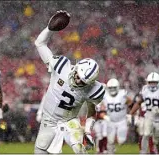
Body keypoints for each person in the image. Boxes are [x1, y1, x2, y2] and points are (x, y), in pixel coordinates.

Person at [34, 10, 106, 154]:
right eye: (78, 76)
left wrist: (87, 130)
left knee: (80, 151)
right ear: (76, 67)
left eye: (83, 81)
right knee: (40, 152)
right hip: (49, 120)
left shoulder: (94, 89)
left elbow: (92, 112)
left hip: (69, 121)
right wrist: (49, 29)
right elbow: (39, 43)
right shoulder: (62, 66)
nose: (78, 80)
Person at [129, 72, 159, 154]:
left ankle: (158, 151)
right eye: (150, 82)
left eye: (154, 82)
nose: (152, 84)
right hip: (148, 116)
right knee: (146, 134)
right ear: (147, 82)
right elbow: (139, 102)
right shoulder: (145, 89)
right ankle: (143, 152)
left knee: (156, 140)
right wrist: (131, 113)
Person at [100, 78, 132, 154]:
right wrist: (104, 116)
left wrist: (130, 114)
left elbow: (131, 104)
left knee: (121, 141)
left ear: (117, 87)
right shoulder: (105, 96)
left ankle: (113, 148)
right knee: (110, 141)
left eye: (114, 87)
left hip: (122, 121)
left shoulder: (123, 94)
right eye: (110, 88)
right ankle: (111, 152)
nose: (112, 89)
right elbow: (101, 110)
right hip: (111, 121)